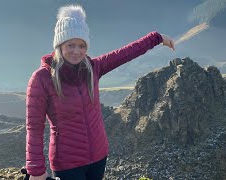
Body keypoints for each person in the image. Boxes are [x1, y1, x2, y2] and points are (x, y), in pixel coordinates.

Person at [25, 4, 175, 180]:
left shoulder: (93, 68)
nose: (76, 51)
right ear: (59, 44)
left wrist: (156, 38)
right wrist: (36, 170)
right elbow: (34, 127)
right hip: (67, 164)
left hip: (99, 156)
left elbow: (125, 53)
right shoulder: (42, 78)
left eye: (82, 45)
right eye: (70, 45)